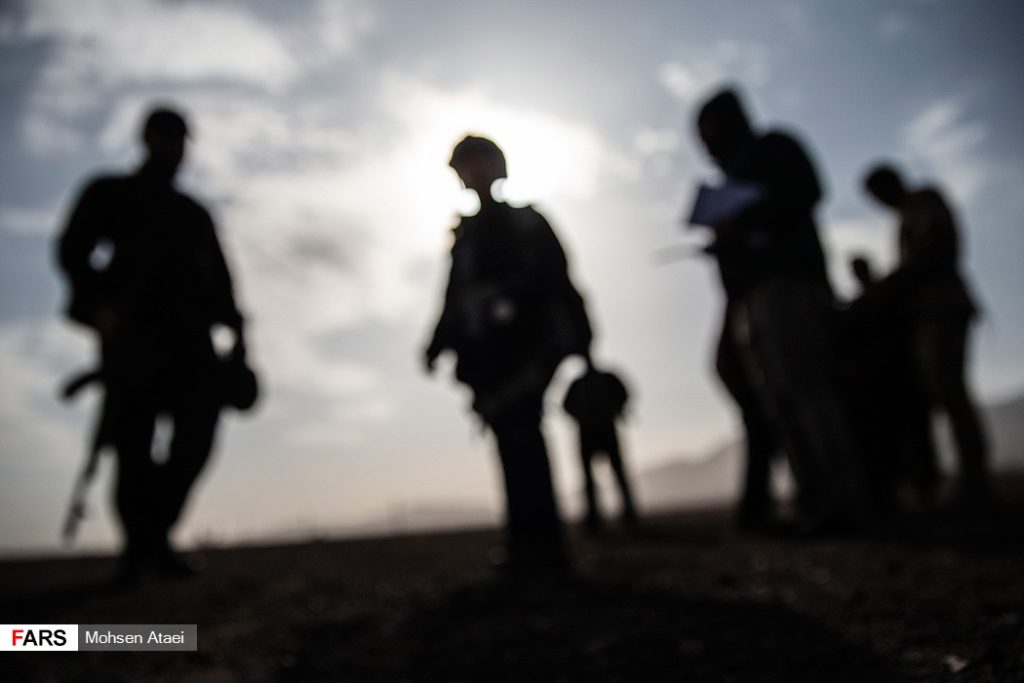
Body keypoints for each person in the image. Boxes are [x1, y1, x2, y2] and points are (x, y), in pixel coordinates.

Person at [57, 106, 249, 582]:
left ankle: (154, 536)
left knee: (195, 442)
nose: (174, 147)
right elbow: (72, 252)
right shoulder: (111, 195)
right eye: (165, 137)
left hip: (192, 347)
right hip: (134, 343)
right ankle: (140, 550)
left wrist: (240, 338)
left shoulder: (193, 214)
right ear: (146, 139)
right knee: (133, 446)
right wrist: (98, 309)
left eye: (180, 139)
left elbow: (223, 283)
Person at [695, 87, 870, 532]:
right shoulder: (731, 179)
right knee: (779, 400)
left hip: (790, 285)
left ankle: (843, 499)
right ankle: (813, 499)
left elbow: (807, 193)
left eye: (708, 133)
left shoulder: (775, 150)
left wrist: (747, 220)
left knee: (809, 389)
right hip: (751, 297)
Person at [424, 135, 591, 574]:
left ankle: (545, 544)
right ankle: (524, 541)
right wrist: (437, 342)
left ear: (498, 167)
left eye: (480, 163)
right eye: (466, 166)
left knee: (525, 433)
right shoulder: (464, 238)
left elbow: (559, 278)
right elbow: (452, 297)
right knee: (507, 437)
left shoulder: (528, 223)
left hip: (529, 347)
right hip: (484, 356)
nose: (474, 173)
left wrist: (580, 338)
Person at [863, 164, 992, 510]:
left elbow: (929, 254)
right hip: (928, 313)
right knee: (944, 393)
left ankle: (975, 482)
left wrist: (888, 286)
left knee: (950, 392)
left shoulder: (922, 203)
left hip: (941, 309)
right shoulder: (909, 212)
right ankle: (967, 479)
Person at [562, 359, 638, 532]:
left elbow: (623, 394)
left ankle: (626, 513)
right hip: (590, 432)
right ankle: (594, 517)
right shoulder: (580, 383)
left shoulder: (603, 379)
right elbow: (566, 406)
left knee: (616, 473)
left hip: (605, 430)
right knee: (593, 478)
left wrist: (616, 409)